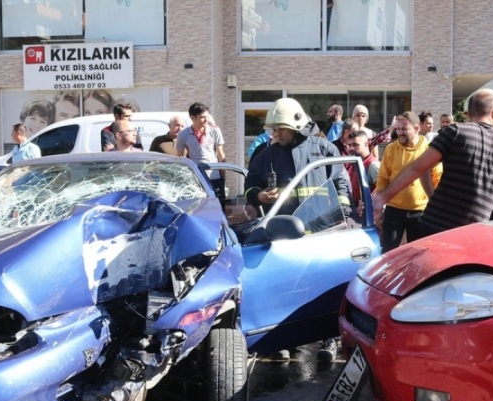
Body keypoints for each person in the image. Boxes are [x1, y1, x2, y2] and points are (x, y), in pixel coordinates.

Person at [243, 97, 349, 362]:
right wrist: (258, 196)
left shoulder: (324, 149)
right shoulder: (265, 155)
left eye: (280, 128)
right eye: (273, 129)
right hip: (284, 232)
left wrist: (345, 215)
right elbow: (250, 185)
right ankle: (286, 340)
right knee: (288, 288)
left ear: (297, 125)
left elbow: (341, 184)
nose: (274, 133)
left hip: (323, 228)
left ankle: (330, 340)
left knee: (330, 287)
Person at [372, 88, 493, 238]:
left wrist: (381, 199)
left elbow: (419, 168)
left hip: (436, 226)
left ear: (468, 113)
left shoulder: (455, 132)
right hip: (474, 233)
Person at [375, 111, 442, 253]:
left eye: (404, 129)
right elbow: (382, 178)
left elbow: (437, 180)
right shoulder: (390, 149)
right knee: (388, 253)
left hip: (420, 212)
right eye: (398, 129)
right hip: (394, 210)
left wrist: (436, 209)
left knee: (417, 255)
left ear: (417, 128)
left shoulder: (429, 150)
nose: (399, 133)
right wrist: (379, 205)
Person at [176, 102, 226, 198]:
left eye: (207, 116)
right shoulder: (183, 134)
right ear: (192, 117)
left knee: (218, 208)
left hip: (214, 175)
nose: (206, 120)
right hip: (196, 178)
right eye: (202, 117)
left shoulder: (214, 131)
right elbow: (180, 159)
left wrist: (223, 175)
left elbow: (221, 154)